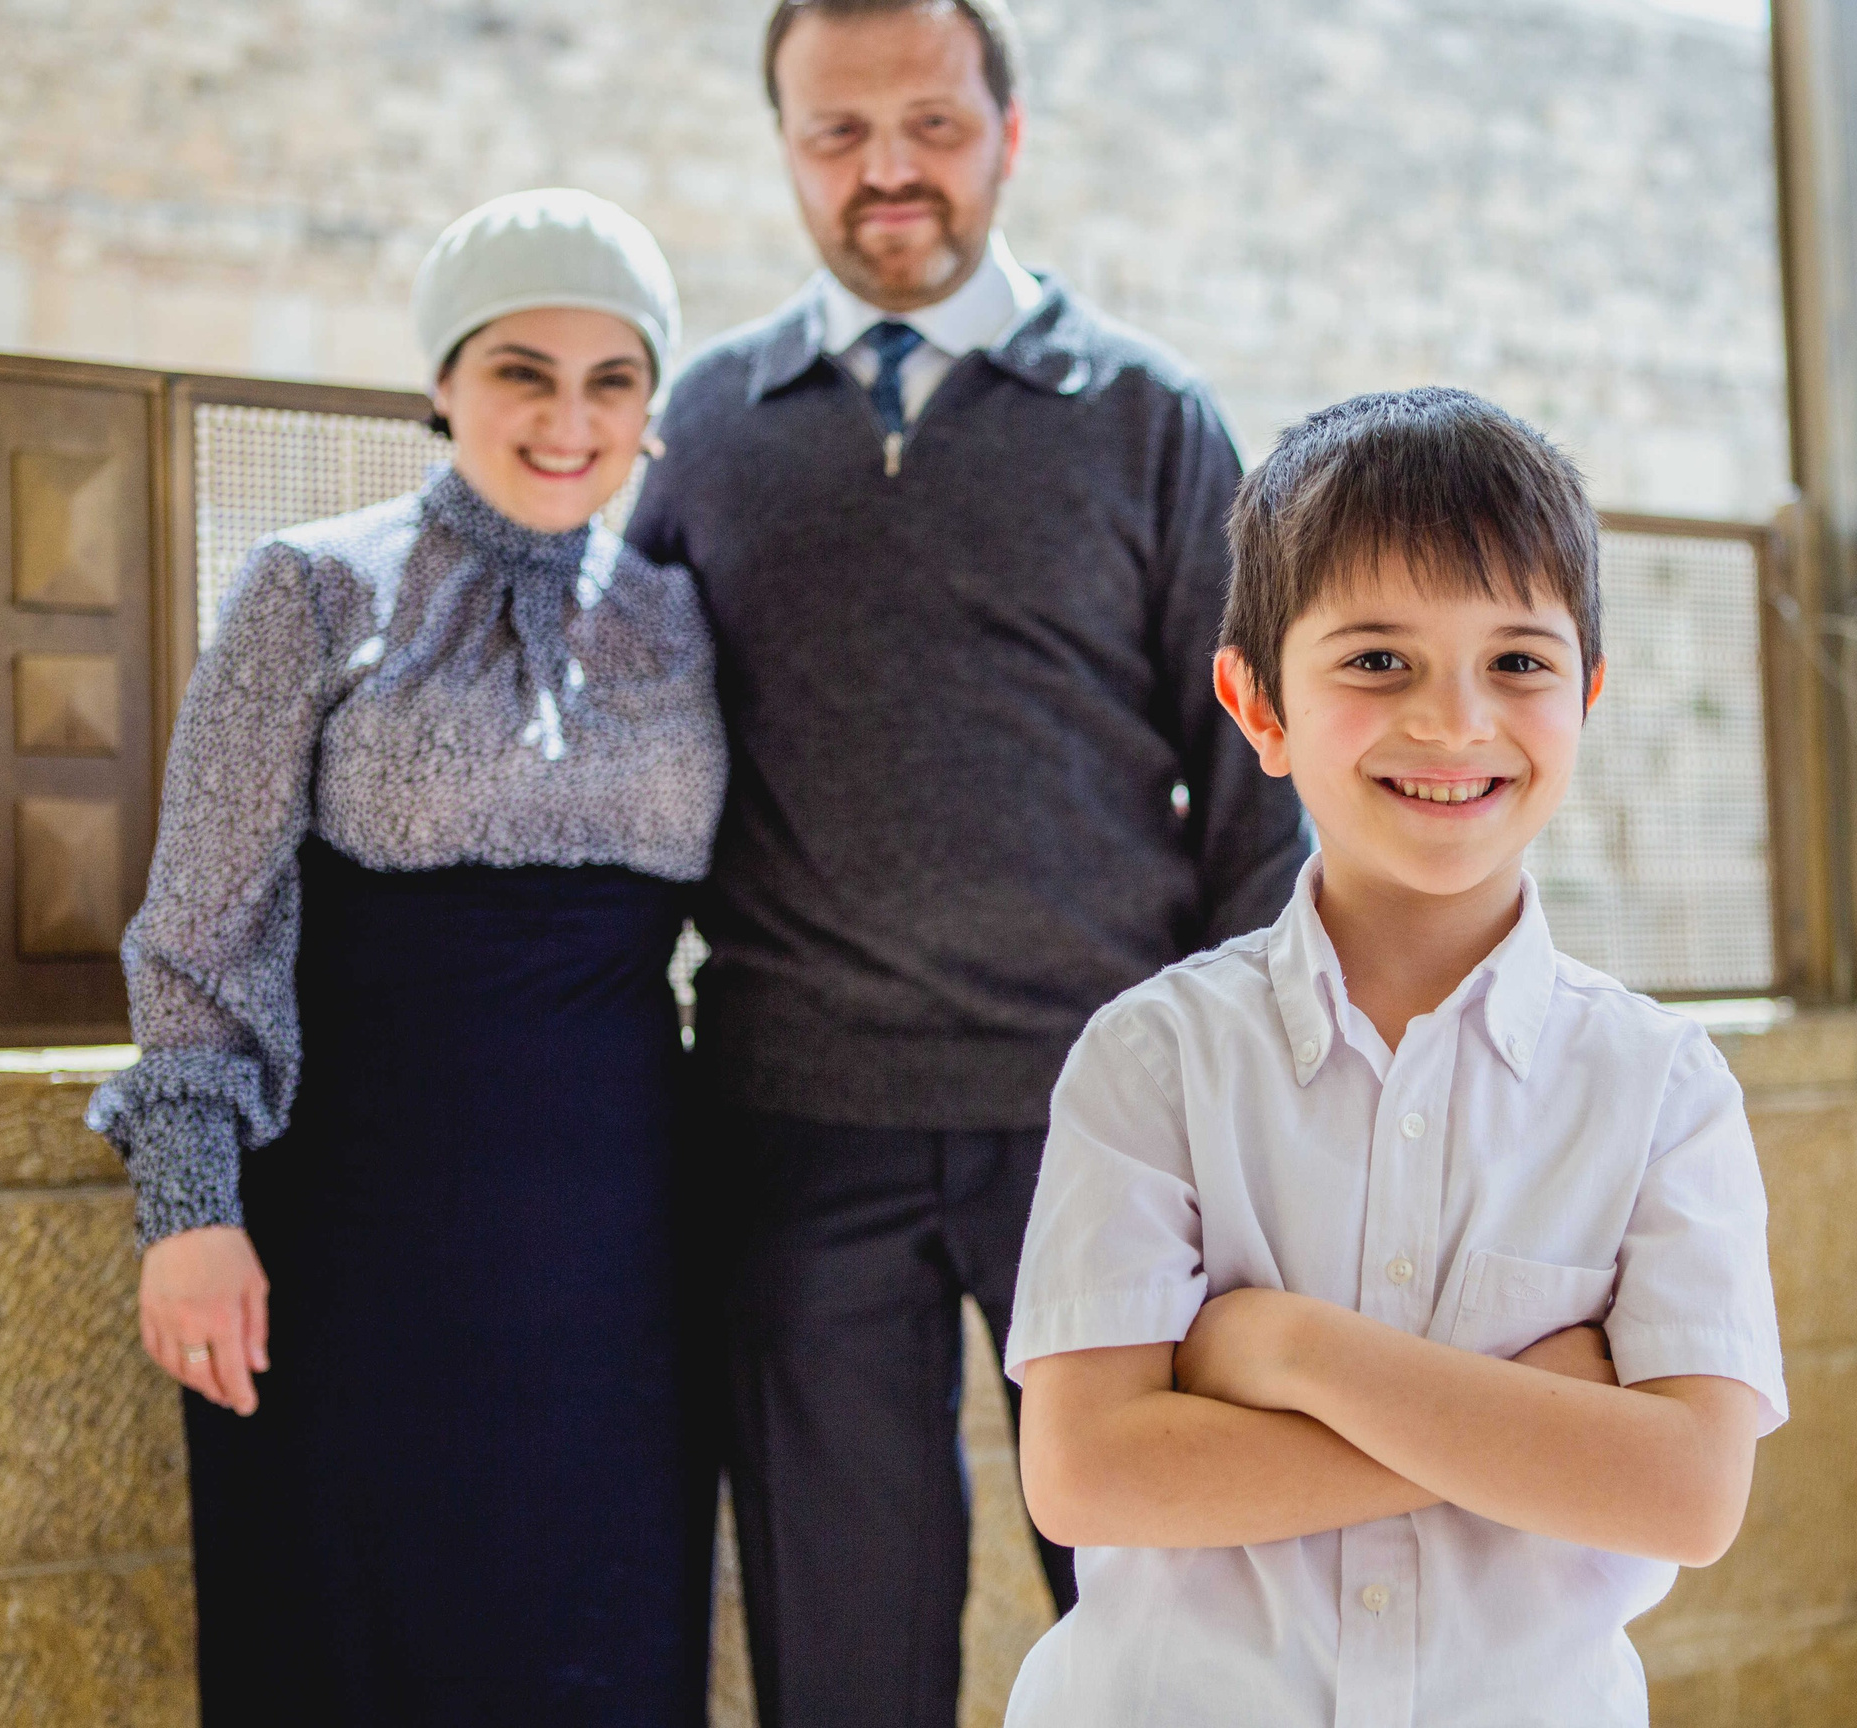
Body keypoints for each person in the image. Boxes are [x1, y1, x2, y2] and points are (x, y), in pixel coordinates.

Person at [624, 2, 1306, 1719]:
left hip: (1103, 1124)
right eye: (837, 133)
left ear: (1010, 131)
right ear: (787, 150)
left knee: (1170, 1632)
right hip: (796, 1125)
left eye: (930, 123)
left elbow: (1257, 787)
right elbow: (633, 764)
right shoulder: (706, 426)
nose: (888, 171)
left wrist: (1235, 1102)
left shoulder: (1149, 416)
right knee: (839, 1648)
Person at [1002, 387, 1789, 1726]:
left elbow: (1688, 1494)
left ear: (1588, 696)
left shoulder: (1661, 1087)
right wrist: (1531, 1424)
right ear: (1257, 706)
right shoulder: (1154, 1060)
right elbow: (1089, 1474)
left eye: (1519, 662)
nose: (1454, 721)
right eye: (1377, 660)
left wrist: (1293, 1352)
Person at [88, 189, 727, 1728]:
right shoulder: (310, 587)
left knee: (603, 1652)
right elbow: (201, 930)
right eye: (522, 372)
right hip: (354, 1244)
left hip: (623, 1260)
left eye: (612, 381)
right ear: (443, 377)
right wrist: (189, 1212)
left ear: (651, 405)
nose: (568, 420)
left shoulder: (685, 618)